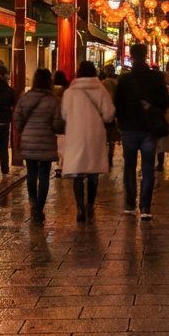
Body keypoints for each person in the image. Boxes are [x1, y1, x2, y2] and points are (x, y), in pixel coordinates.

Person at [114, 43, 169, 219]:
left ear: (131, 55)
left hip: (129, 128)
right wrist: (151, 105)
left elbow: (117, 105)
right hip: (148, 128)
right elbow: (165, 102)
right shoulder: (156, 78)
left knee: (129, 167)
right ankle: (145, 207)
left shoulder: (124, 79)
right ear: (146, 55)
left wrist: (121, 122)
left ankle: (130, 204)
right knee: (147, 168)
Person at [62, 61, 115, 222]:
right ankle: (90, 205)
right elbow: (109, 114)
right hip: (95, 133)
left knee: (78, 173)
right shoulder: (101, 90)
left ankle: (79, 208)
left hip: (76, 133)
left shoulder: (70, 92)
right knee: (93, 172)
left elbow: (64, 115)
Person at [14, 68, 60, 223]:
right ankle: (39, 208)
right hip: (46, 141)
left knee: (31, 173)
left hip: (28, 140)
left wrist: (24, 130)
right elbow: (57, 124)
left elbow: (17, 119)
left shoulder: (25, 98)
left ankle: (33, 203)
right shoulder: (53, 100)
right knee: (44, 175)